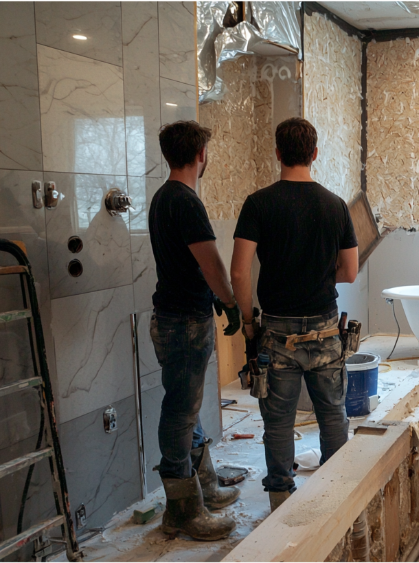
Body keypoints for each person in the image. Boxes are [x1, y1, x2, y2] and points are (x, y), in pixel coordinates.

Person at [230, 117, 359, 512]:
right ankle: (337, 495)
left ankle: (280, 499)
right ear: (315, 154)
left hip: (277, 331)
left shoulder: (259, 203)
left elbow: (238, 270)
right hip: (324, 328)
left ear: (277, 153)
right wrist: (321, 274)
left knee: (278, 421)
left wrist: (249, 325)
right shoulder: (335, 205)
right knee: (332, 414)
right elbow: (350, 272)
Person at [149, 121, 241, 541]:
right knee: (179, 412)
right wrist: (229, 302)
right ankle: (182, 510)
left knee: (188, 409)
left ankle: (204, 489)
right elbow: (212, 263)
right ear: (200, 154)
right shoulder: (185, 202)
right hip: (185, 322)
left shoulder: (162, 198)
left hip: (175, 317)